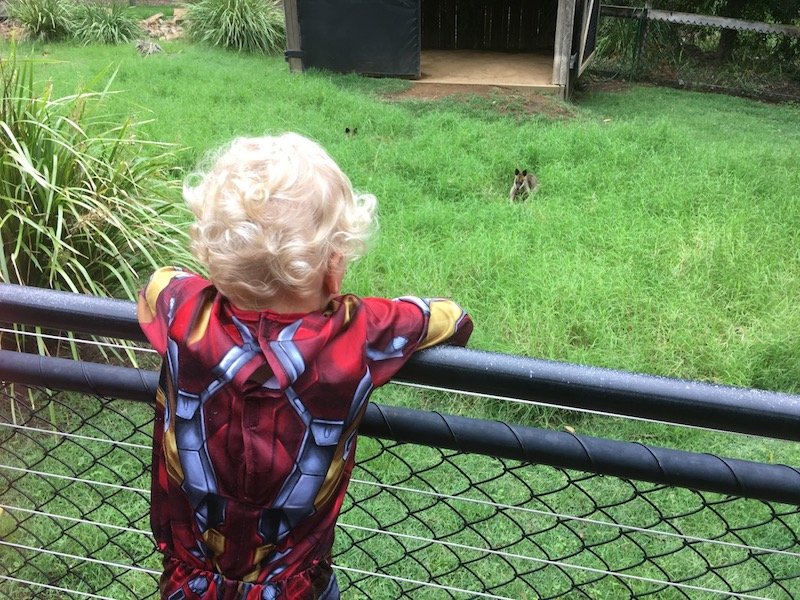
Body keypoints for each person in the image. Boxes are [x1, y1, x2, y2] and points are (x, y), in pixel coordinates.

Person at [137, 133, 473, 600]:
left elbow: (157, 281)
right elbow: (450, 316)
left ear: (211, 255)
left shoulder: (182, 309)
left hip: (189, 585)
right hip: (295, 588)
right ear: (334, 266)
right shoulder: (360, 331)